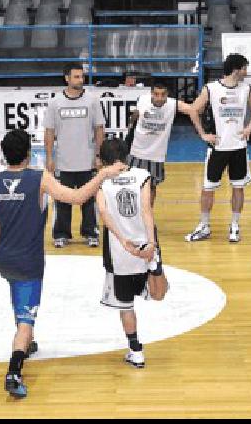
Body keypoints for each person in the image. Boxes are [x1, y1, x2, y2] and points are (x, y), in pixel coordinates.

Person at [0, 129, 126, 399]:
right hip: (29, 259)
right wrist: (102, 174)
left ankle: (28, 341)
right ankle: (14, 370)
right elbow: (76, 198)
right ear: (28, 153)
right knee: (26, 319)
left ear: (4, 155)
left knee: (18, 295)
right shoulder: (39, 179)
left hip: (4, 257)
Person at [96, 138, 169, 368]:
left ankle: (136, 350)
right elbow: (147, 210)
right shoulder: (142, 175)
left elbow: (104, 215)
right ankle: (155, 267)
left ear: (103, 160)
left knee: (126, 305)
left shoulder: (102, 181)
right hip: (145, 244)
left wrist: (123, 241)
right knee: (158, 294)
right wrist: (151, 242)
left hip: (120, 251)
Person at [185, 53, 251, 243]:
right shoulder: (211, 88)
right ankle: (204, 226)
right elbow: (193, 110)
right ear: (236, 69)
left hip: (239, 148)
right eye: (245, 68)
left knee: (238, 187)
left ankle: (234, 226)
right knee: (208, 189)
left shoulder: (247, 89)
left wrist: (250, 126)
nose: (246, 72)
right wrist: (203, 134)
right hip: (217, 148)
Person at [44, 63, 105, 248]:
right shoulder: (55, 102)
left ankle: (91, 232)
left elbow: (99, 129)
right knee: (62, 199)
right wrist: (49, 157)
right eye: (76, 76)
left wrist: (99, 155)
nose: (80, 80)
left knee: (89, 200)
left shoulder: (92, 100)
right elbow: (49, 131)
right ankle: (61, 234)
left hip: (87, 161)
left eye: (82, 76)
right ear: (67, 78)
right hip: (64, 162)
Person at [125, 80, 208, 205]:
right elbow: (135, 117)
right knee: (132, 187)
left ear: (167, 94)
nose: (159, 98)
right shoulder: (142, 100)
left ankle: (148, 216)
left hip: (156, 155)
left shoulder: (173, 104)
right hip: (136, 152)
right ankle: (133, 218)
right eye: (156, 94)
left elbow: (193, 110)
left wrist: (202, 134)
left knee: (151, 188)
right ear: (151, 93)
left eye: (163, 94)